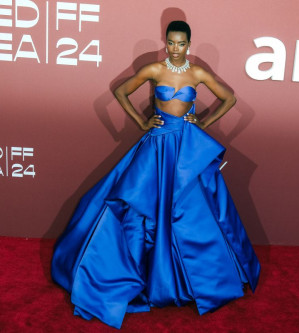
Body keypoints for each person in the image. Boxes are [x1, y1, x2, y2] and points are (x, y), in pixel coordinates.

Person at [51, 20, 261, 330]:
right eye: (171, 43)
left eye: (181, 44)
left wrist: (202, 122)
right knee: (141, 205)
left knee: (192, 210)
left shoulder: (198, 73)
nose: (176, 49)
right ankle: (141, 274)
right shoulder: (154, 69)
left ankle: (193, 280)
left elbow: (229, 99)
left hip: (187, 146)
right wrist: (141, 121)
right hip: (158, 144)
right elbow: (121, 91)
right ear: (166, 42)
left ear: (189, 44)